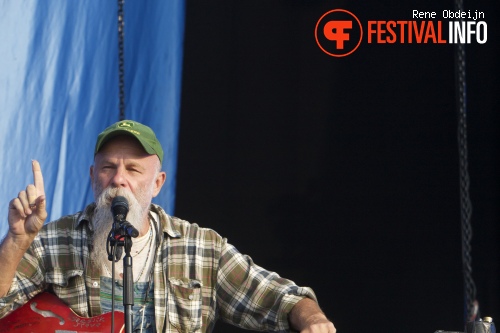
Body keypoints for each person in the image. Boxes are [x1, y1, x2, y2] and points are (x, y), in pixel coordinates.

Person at [0, 120, 336, 333]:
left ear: (157, 183)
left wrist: (312, 319)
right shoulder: (53, 241)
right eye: (107, 168)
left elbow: (282, 299)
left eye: (133, 169)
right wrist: (17, 240)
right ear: (92, 177)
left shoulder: (202, 248)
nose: (118, 179)